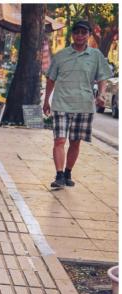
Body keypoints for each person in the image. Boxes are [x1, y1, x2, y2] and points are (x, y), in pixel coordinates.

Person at [43, 20, 113, 190]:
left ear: (89, 35)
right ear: (72, 34)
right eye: (77, 32)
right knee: (59, 140)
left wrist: (102, 94)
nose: (80, 36)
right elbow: (51, 79)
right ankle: (59, 175)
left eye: (83, 32)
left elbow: (102, 77)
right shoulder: (61, 55)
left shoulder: (96, 56)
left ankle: (67, 172)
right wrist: (46, 100)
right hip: (61, 104)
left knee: (75, 142)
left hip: (84, 105)